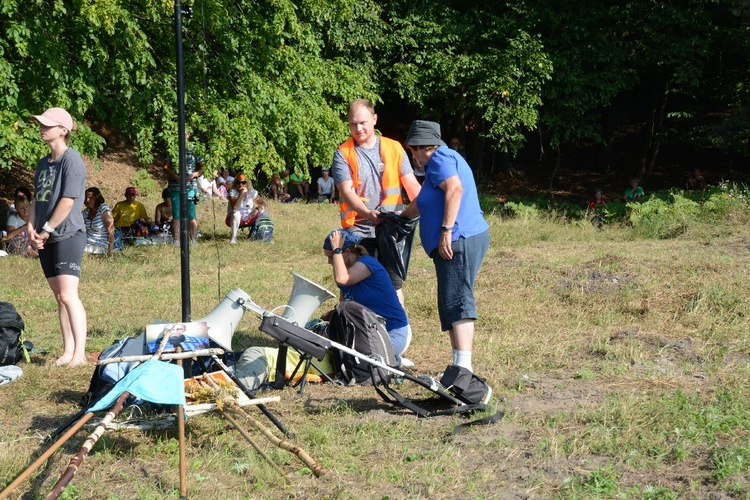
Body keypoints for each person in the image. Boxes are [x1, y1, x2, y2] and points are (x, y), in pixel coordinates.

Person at [403, 120, 490, 373]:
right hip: (458, 239)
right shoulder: (440, 162)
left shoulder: (439, 158)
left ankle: (464, 370)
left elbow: (455, 189)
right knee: (450, 302)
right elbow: (423, 201)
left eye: (413, 150)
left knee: (458, 301)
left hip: (458, 239)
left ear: (423, 147)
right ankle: (457, 366)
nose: (413, 155)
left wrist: (446, 231)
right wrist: (400, 217)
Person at [331, 99, 422, 306]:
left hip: (391, 231)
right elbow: (346, 191)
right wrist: (368, 214)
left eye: (362, 122)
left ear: (374, 119)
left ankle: (399, 330)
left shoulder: (394, 147)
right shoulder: (343, 153)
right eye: (353, 124)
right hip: (359, 231)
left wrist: (425, 206)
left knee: (394, 284)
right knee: (352, 284)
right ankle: (349, 327)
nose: (358, 128)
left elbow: (412, 185)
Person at [27, 107, 88, 367]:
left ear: (63, 130)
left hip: (67, 233)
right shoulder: (43, 163)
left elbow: (67, 200)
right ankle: (67, 352)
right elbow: (36, 198)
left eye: (47, 125)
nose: (42, 128)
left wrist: (46, 229)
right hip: (45, 235)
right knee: (58, 296)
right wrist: (31, 227)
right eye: (41, 124)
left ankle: (80, 355)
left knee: (68, 295)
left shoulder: (71, 160)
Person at [323, 229, 413, 367]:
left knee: (355, 361)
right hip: (371, 334)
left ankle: (394, 361)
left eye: (331, 257)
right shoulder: (345, 273)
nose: (330, 262)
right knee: (333, 353)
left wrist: (336, 249)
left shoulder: (367, 263)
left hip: (393, 334)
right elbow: (345, 309)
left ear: (347, 252)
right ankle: (388, 359)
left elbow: (342, 279)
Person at [163, 132, 204, 246]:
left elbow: (203, 166)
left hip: (190, 185)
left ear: (189, 134)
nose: (183, 135)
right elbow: (165, 167)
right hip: (175, 186)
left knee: (191, 212)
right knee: (176, 212)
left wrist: (195, 174)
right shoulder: (172, 148)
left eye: (186, 133)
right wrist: (175, 176)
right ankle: (176, 239)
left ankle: (193, 240)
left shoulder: (194, 148)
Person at [226, 174, 259, 244]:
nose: (240, 185)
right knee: (236, 213)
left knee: (263, 212)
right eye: (238, 182)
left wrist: (257, 209)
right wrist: (241, 194)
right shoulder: (233, 192)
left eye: (243, 182)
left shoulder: (252, 192)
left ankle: (261, 235)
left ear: (247, 183)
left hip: (248, 216)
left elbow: (263, 204)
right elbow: (235, 207)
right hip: (234, 218)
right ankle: (234, 237)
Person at [82, 187, 115, 254]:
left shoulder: (103, 209)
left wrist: (110, 251)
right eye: (86, 198)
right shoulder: (87, 211)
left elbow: (111, 230)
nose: (87, 200)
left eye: (90, 198)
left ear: (96, 198)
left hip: (100, 245)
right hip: (87, 242)